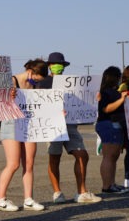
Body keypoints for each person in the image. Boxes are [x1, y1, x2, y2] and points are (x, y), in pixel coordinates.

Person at [41, 52, 101, 205]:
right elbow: (39, 104)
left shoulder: (72, 83)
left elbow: (82, 100)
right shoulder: (43, 82)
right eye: (55, 64)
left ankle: (81, 192)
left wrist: (94, 99)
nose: (58, 67)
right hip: (53, 125)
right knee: (54, 157)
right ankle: (57, 192)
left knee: (82, 155)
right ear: (49, 66)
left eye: (61, 65)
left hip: (71, 125)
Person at [0, 59, 49, 213]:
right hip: (11, 123)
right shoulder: (12, 81)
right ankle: (0, 198)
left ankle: (28, 199)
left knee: (29, 163)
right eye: (36, 79)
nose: (36, 82)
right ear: (31, 72)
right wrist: (8, 96)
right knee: (13, 164)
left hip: (28, 125)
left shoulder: (33, 86)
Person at [95, 65, 129, 195]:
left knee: (113, 157)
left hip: (113, 125)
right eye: (118, 77)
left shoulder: (111, 91)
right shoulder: (104, 93)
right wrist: (121, 99)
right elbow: (106, 109)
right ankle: (107, 186)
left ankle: (111, 183)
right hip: (108, 124)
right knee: (109, 157)